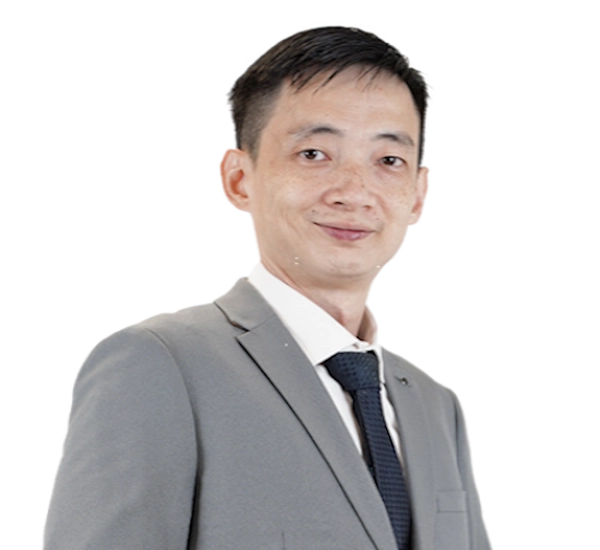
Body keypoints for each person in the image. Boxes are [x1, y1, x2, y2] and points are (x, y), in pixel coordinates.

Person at [42, 25, 492, 550]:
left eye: (388, 160)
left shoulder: (436, 407)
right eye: (314, 154)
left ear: (417, 192)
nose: (354, 192)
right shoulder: (159, 367)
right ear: (239, 178)